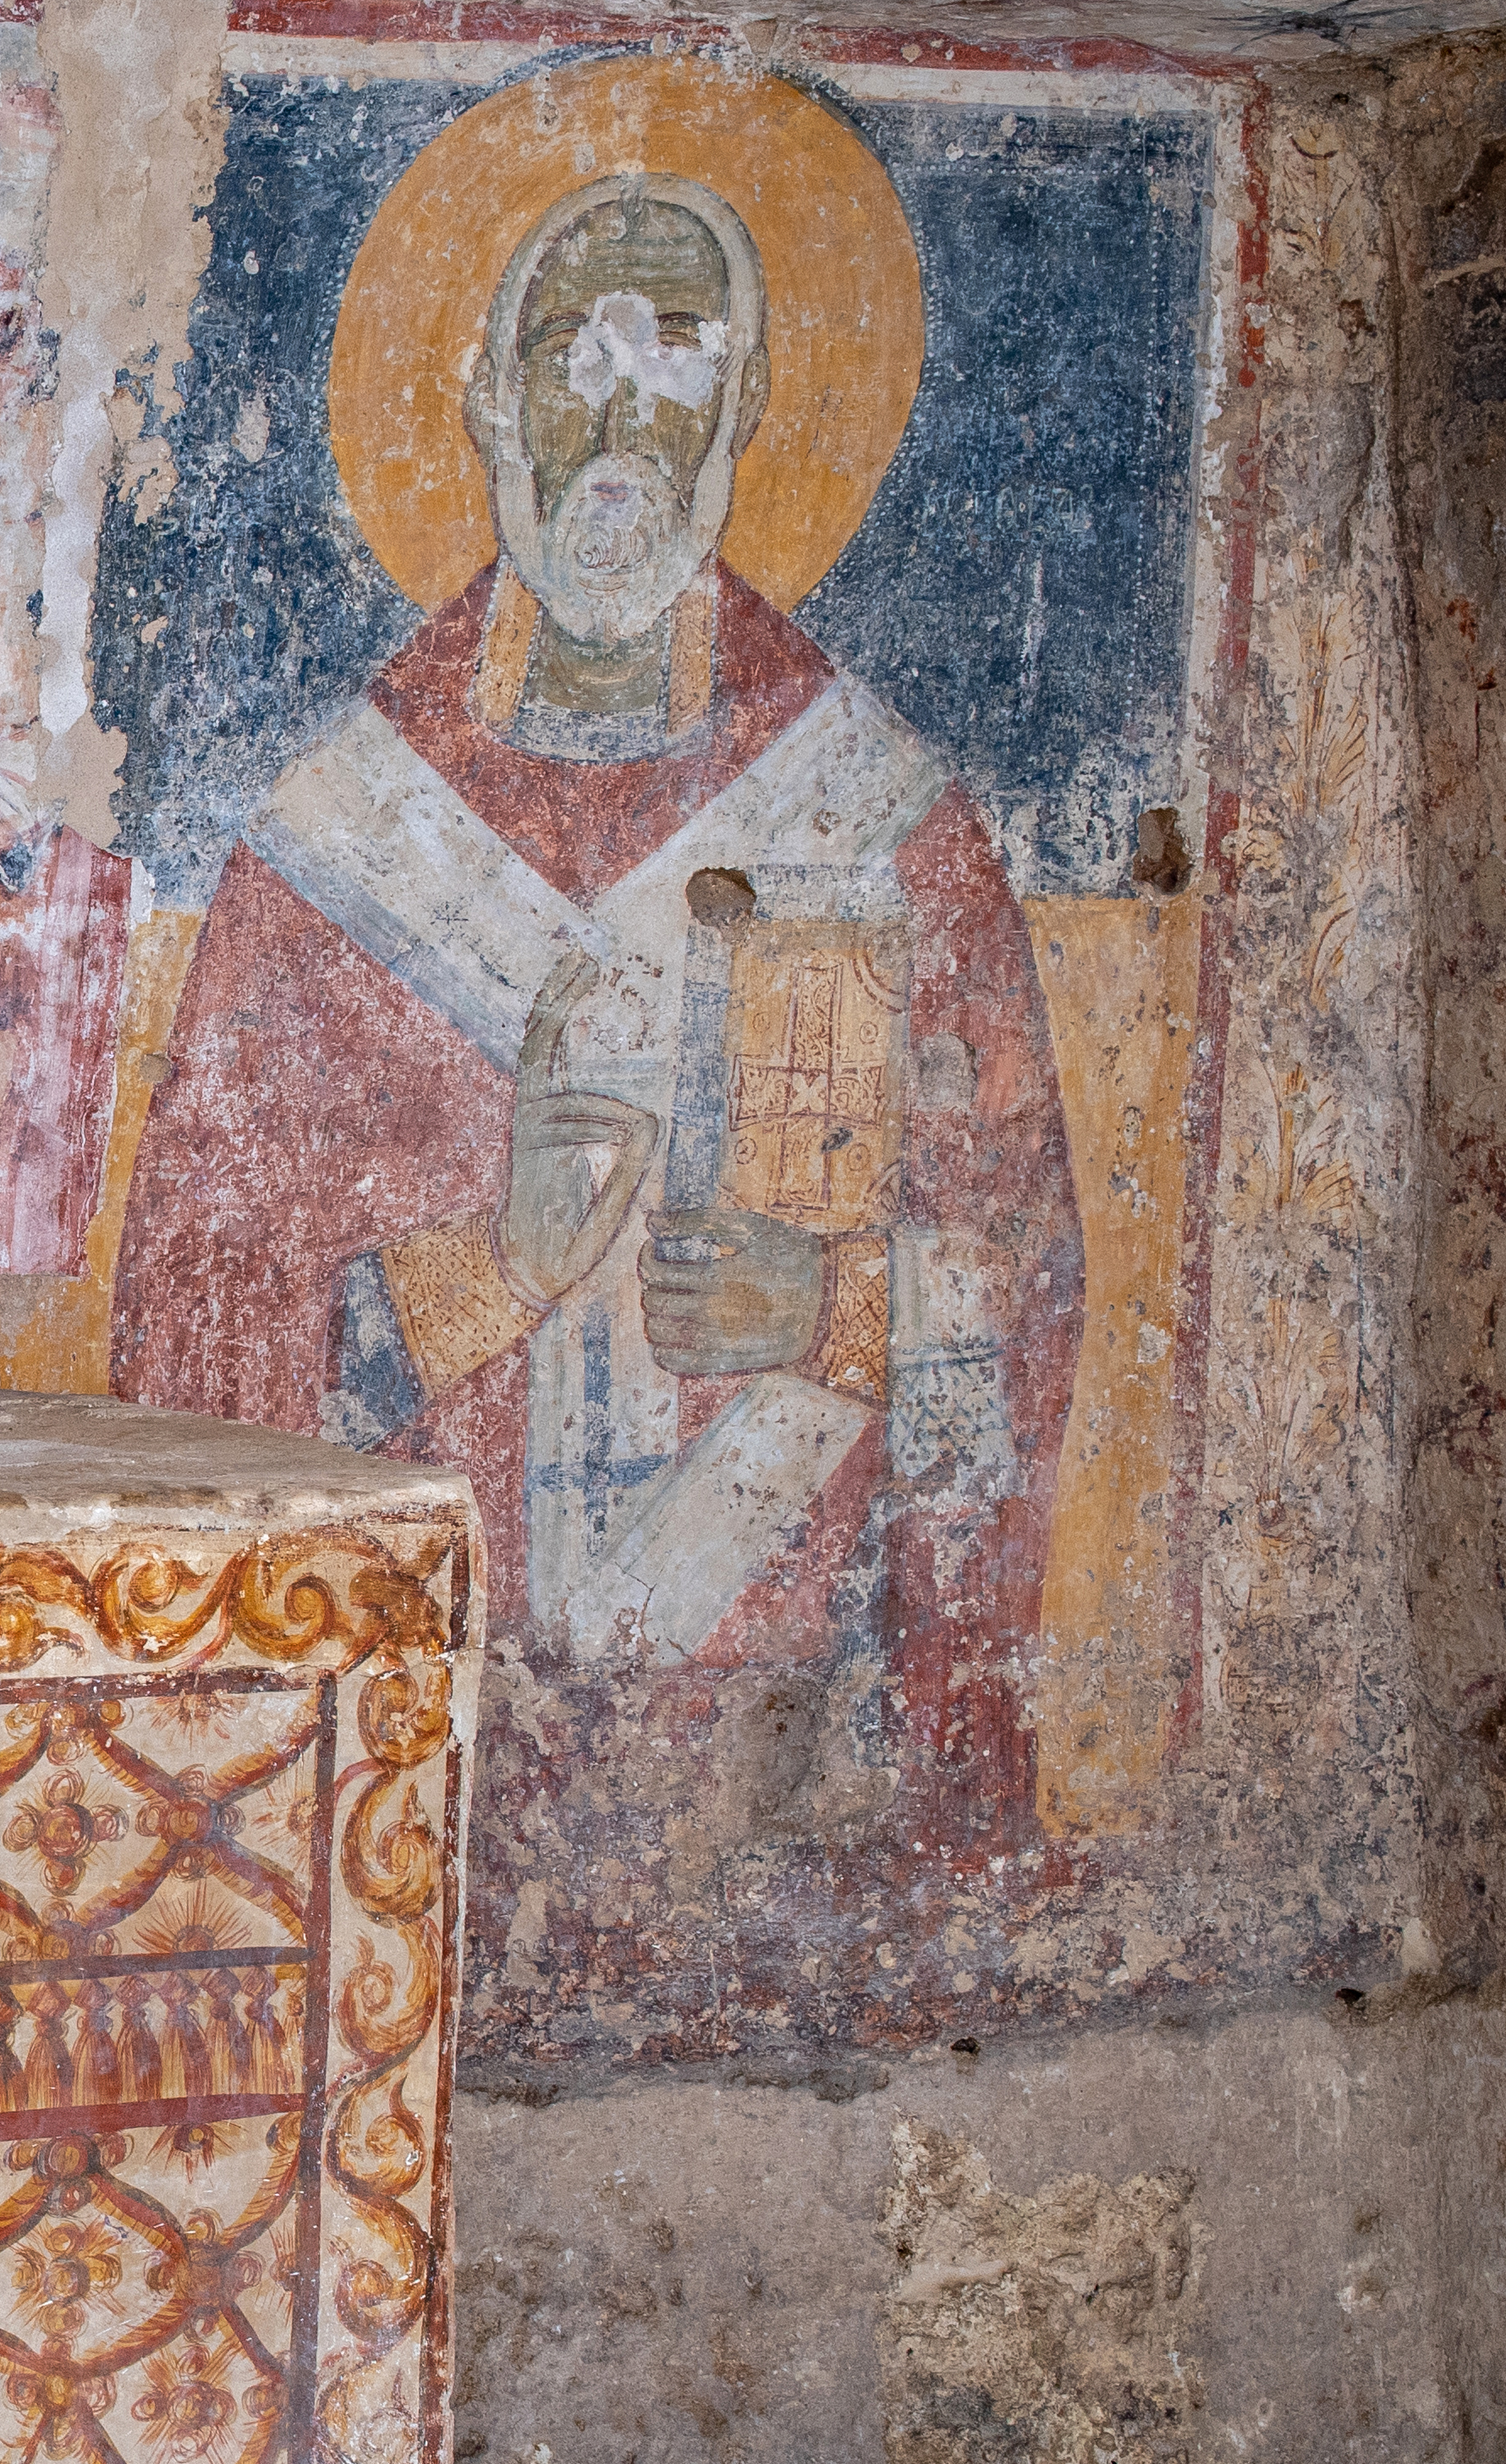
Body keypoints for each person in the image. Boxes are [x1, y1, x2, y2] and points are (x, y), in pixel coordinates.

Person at [112, 163, 1080, 1834]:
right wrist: (490, 1270)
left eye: (681, 358)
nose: (623, 419)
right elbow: (188, 1351)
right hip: (410, 1769)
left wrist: (834, 1307)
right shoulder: (339, 844)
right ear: (487, 400)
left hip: (785, 1769)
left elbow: (1033, 1286)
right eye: (576, 355)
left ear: (754, 404)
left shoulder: (884, 820)